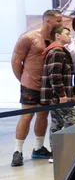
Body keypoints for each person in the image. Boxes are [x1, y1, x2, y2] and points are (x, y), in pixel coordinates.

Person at [11, 9, 62, 166]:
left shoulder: (56, 38)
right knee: (27, 116)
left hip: (47, 87)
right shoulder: (29, 37)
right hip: (30, 85)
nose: (61, 23)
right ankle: (17, 151)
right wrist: (24, 80)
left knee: (43, 115)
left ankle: (38, 148)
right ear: (48, 21)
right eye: (58, 21)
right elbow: (16, 61)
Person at [40, 26, 75, 137]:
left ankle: (57, 148)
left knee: (57, 124)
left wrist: (70, 94)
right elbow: (55, 76)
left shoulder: (55, 51)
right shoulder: (57, 51)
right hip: (58, 97)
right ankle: (68, 147)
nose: (70, 36)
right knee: (73, 122)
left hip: (57, 96)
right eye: (67, 34)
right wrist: (62, 95)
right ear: (57, 35)